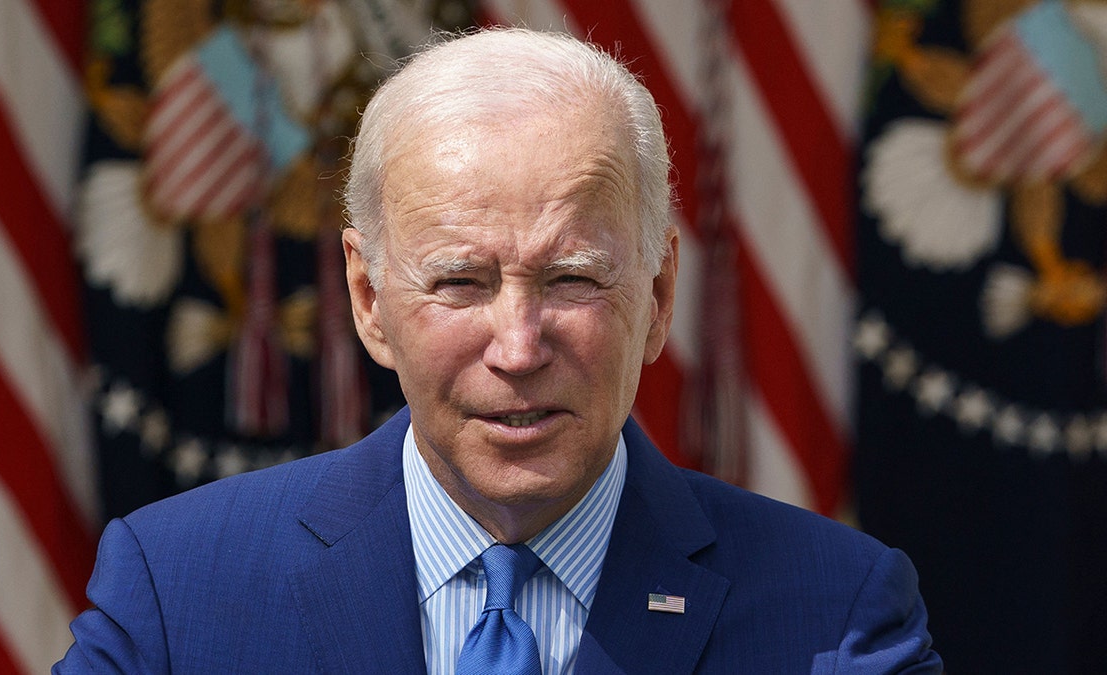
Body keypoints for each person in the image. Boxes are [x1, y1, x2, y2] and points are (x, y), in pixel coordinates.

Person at [55, 28, 942, 673]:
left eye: (571, 280)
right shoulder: (177, 594)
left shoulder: (838, 613)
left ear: (660, 293)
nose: (518, 348)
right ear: (368, 298)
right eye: (461, 283)